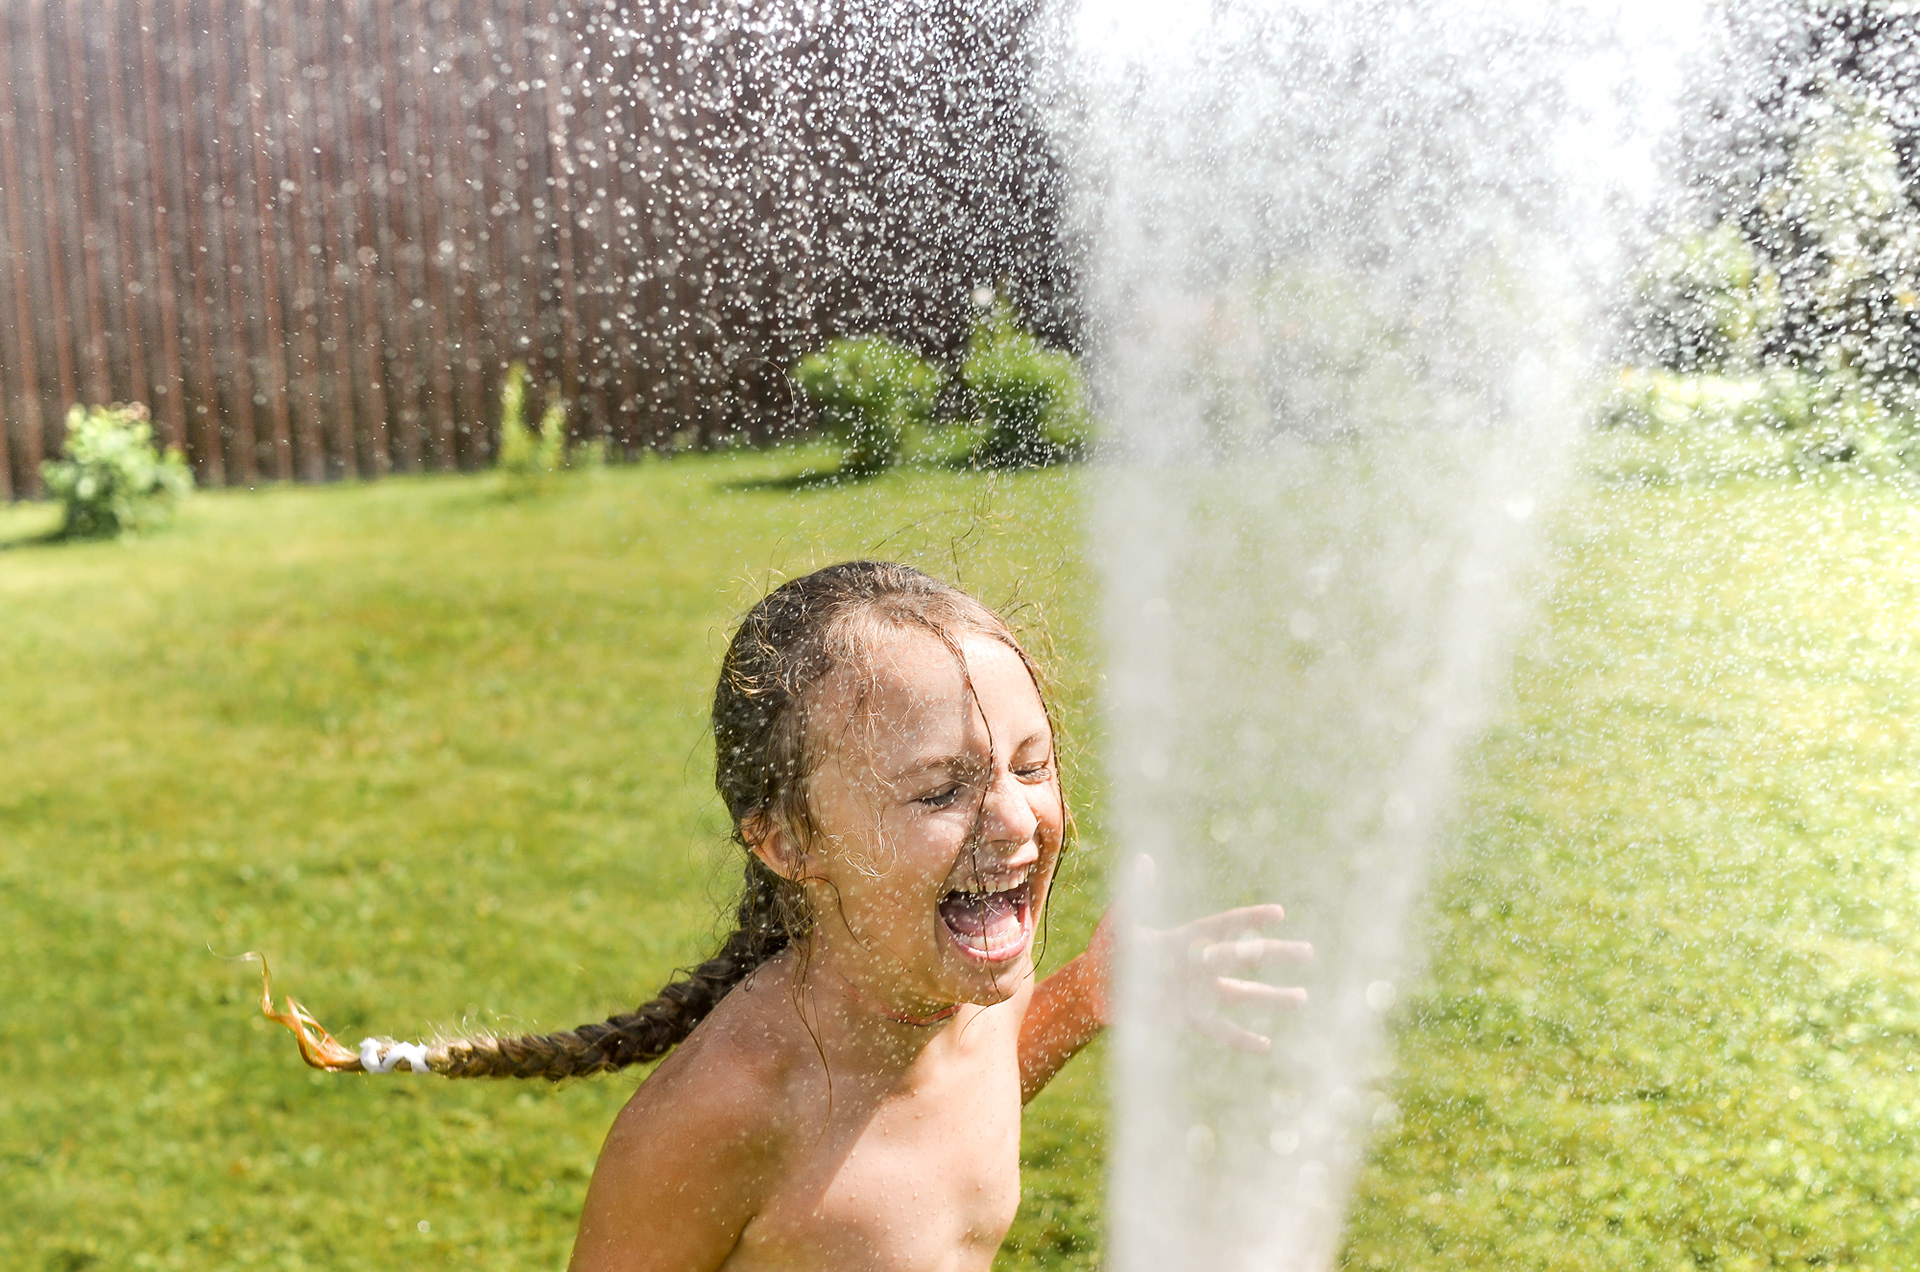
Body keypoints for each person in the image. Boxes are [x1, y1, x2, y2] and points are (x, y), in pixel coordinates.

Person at [256, 560, 1308, 1270]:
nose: (1012, 819)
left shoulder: (968, 991)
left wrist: (1085, 997)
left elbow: (951, 1121)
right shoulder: (722, 1116)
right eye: (940, 789)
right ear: (788, 842)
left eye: (1030, 767)